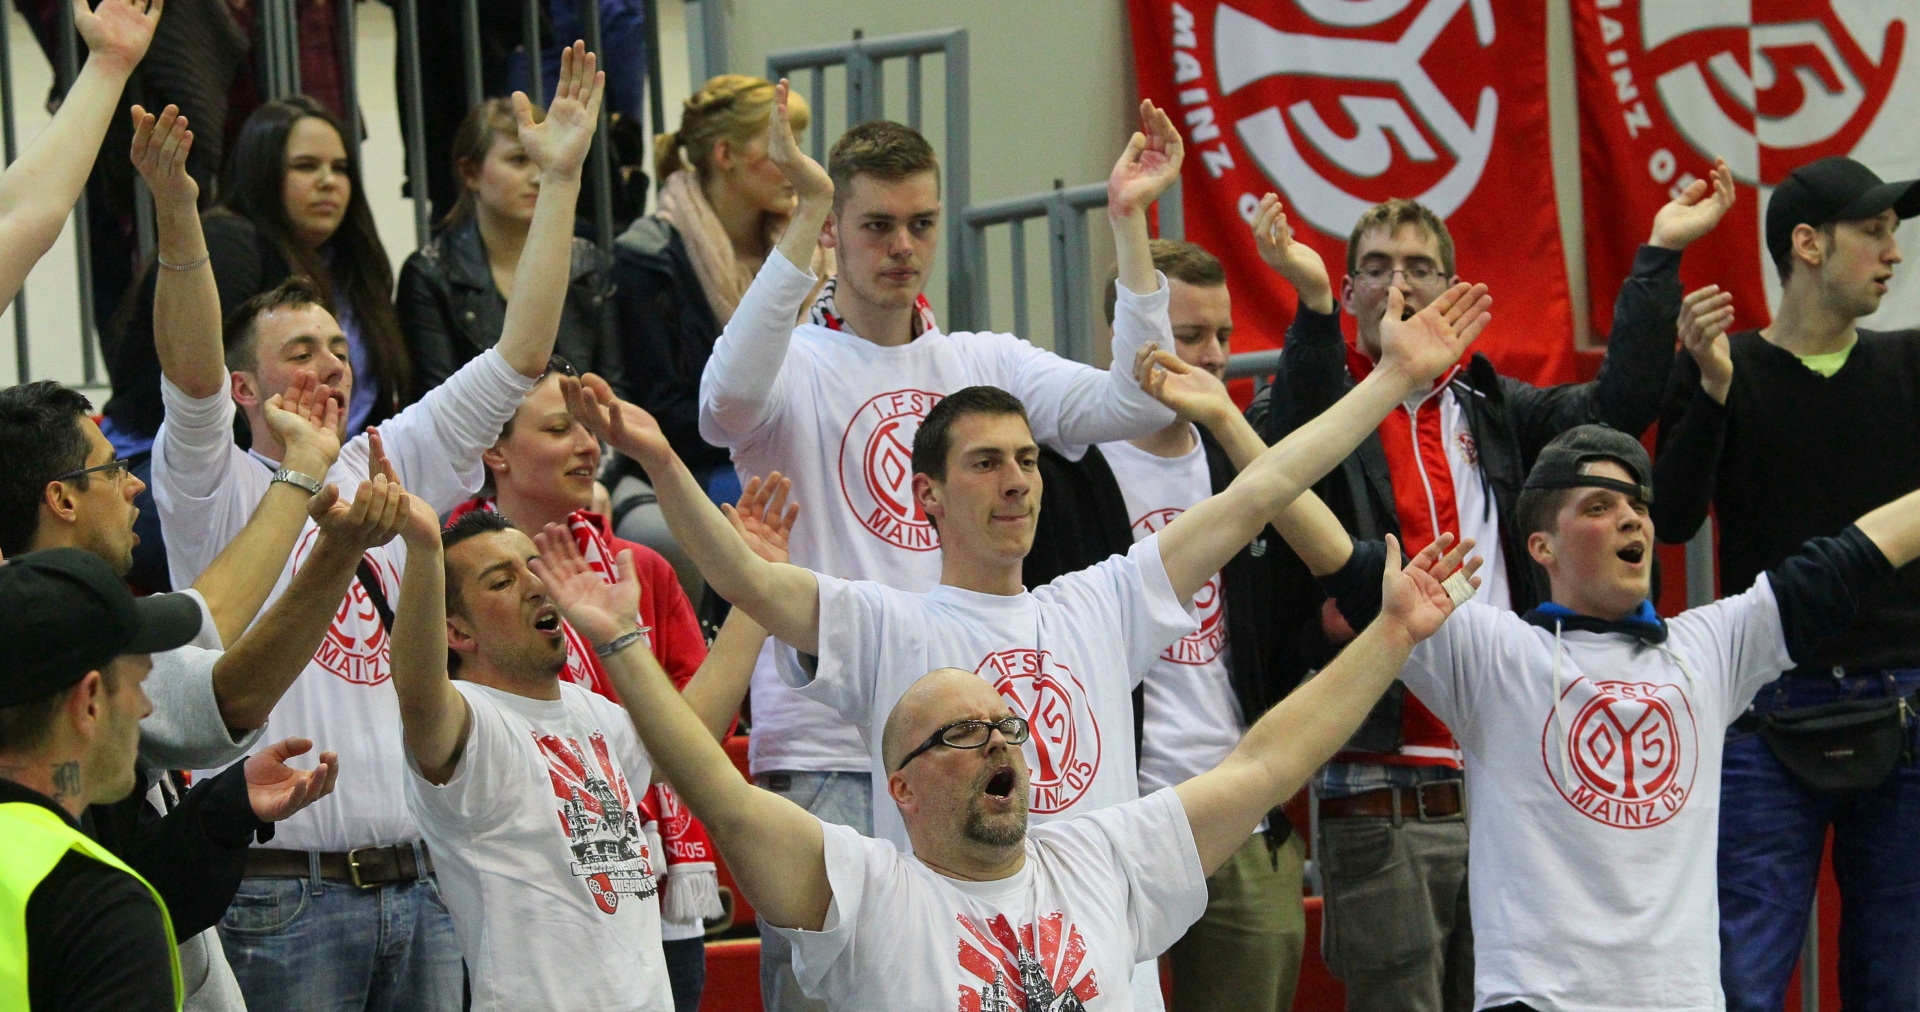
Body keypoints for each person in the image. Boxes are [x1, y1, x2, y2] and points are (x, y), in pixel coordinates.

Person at [571, 229, 1489, 1010]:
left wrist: (1392, 378)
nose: (1015, 481)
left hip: (1098, 952)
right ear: (925, 495)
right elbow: (744, 580)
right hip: (941, 956)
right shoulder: (885, 623)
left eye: (1026, 459)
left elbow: (1262, 492)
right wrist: (661, 461)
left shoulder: (1101, 602)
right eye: (984, 463)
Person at [693, 84, 1193, 1011]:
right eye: (876, 225)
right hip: (829, 748)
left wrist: (1129, 226)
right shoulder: (791, 362)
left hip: (956, 747)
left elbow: (1136, 402)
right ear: (832, 231)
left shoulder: (980, 361)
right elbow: (720, 407)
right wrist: (799, 220)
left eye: (921, 223)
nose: (903, 246)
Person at [143, 47, 604, 1012]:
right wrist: (179, 215)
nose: (328, 367)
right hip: (281, 895)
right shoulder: (212, 480)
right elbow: (188, 368)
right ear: (244, 389)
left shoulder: (389, 458)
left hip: (422, 883)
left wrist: (560, 180)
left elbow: (521, 354)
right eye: (298, 353)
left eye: (337, 349)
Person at [1242, 161, 1735, 1012]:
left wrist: (1658, 253)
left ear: (1453, 289)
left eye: (1420, 267)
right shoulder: (1318, 401)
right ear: (1351, 293)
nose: (1399, 284)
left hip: (1510, 776)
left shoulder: (1491, 405)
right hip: (1383, 782)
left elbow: (1616, 408)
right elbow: (1283, 460)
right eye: (1376, 268)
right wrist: (1312, 307)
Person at [1280, 423, 1920, 1012]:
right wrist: (1233, 426)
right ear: (1542, 546)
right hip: (1537, 1001)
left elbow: (1852, 557)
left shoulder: (1711, 646)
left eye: (1638, 505)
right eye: (1598, 507)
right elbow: (1341, 562)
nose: (1630, 518)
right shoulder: (1497, 654)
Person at [1651, 155, 1920, 1010]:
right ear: (1808, 244)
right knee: (1742, 978)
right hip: (1766, 714)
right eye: (1873, 231)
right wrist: (1712, 390)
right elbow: (1671, 520)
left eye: (1894, 233)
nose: (1894, 252)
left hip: (1906, 708)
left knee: (1900, 980)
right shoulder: (1723, 364)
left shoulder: (1912, 363)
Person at [444, 356, 791, 1010]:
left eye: (590, 430)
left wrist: (755, 594)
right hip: (515, 908)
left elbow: (686, 743)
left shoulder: (642, 571)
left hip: (645, 889)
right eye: (559, 429)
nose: (588, 446)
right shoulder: (448, 578)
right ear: (495, 450)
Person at [1023, 239, 1306, 1012]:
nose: (1213, 356)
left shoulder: (1237, 463)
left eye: (1222, 334)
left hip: (1236, 816)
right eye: (1189, 335)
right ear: (1129, 337)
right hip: (1109, 824)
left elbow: (1282, 623)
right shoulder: (1055, 472)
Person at [0, 547, 336, 1012]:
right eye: (139, 682)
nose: (146, 708)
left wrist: (227, 809)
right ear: (90, 700)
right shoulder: (103, 910)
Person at [102, 92, 413, 590]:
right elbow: (206, 389)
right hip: (188, 467)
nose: (328, 181)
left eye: (340, 167)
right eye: (306, 166)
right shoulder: (230, 240)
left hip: (314, 469)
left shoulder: (357, 269)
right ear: (264, 172)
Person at [612, 74, 816, 503]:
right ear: (725, 155)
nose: (798, 163)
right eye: (781, 147)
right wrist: (780, 430)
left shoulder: (813, 245)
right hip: (699, 466)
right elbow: (665, 411)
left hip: (800, 448)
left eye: (798, 145)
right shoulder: (649, 258)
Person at [397, 99, 624, 396]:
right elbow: (435, 401)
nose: (538, 177)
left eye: (544, 160)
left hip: (581, 424)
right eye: (519, 160)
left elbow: (614, 392)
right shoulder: (429, 273)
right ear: (470, 172)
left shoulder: (589, 264)